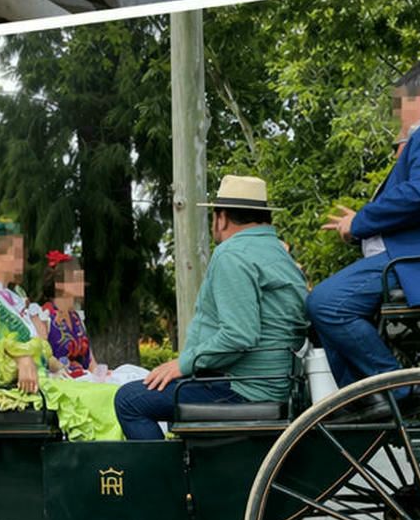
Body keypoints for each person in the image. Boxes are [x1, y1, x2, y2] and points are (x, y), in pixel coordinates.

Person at [310, 53, 420, 410]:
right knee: (325, 306)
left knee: (327, 303)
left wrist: (360, 221)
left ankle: (396, 393)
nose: (398, 112)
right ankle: (365, 400)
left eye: (400, 103)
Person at [117, 175, 309, 439]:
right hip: (276, 383)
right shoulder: (278, 253)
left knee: (130, 400)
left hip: (245, 390)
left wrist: (183, 364)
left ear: (222, 218)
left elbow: (238, 335)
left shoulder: (232, 254)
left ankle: (163, 481)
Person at [0, 235, 122, 441]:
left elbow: (38, 345)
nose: (22, 261)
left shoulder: (12, 296)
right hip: (24, 383)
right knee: (105, 397)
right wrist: (21, 357)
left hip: (43, 374)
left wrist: (54, 364)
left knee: (112, 392)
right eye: (16, 255)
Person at [44, 252, 93, 376]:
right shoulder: (44, 316)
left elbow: (91, 361)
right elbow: (41, 355)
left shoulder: (77, 317)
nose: (82, 283)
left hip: (84, 379)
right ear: (60, 285)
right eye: (75, 279)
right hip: (58, 381)